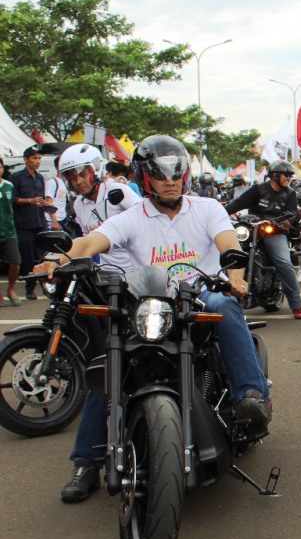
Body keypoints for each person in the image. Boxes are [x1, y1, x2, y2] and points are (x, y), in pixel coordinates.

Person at [42, 135, 273, 502]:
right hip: (150, 308)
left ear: (186, 174)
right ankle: (85, 462)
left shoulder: (207, 207)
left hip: (199, 300)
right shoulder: (131, 217)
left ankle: (252, 397)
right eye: (160, 173)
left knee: (226, 306)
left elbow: (229, 242)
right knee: (112, 366)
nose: (170, 180)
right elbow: (88, 243)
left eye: (176, 172)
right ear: (144, 177)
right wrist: (58, 259)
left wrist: (234, 276)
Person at [225, 160, 301, 319]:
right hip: (252, 229)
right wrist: (218, 212)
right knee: (231, 254)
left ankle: (296, 303)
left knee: (284, 262)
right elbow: (237, 204)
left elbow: (293, 213)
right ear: (275, 175)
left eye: (290, 175)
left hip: (273, 231)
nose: (289, 178)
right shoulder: (258, 189)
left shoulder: (289, 194)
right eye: (287, 174)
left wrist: (286, 222)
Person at [58, 143, 142, 271]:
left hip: (137, 269)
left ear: (96, 170)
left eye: (82, 174)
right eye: (73, 177)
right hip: (107, 272)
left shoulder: (117, 191)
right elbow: (86, 240)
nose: (79, 182)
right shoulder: (79, 204)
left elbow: (145, 219)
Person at [11, 146, 50, 300]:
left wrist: (45, 204)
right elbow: (12, 199)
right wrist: (29, 200)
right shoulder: (16, 177)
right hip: (24, 224)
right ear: (26, 160)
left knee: (43, 256)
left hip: (40, 222)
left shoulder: (40, 178)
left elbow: (42, 198)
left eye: (39, 158)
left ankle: (46, 286)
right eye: (34, 158)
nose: (37, 161)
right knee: (27, 258)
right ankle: (30, 288)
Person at [0, 156, 22, 305]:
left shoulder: (8, 185)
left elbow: (11, 208)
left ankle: (11, 289)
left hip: (8, 230)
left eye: (0, 167)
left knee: (15, 262)